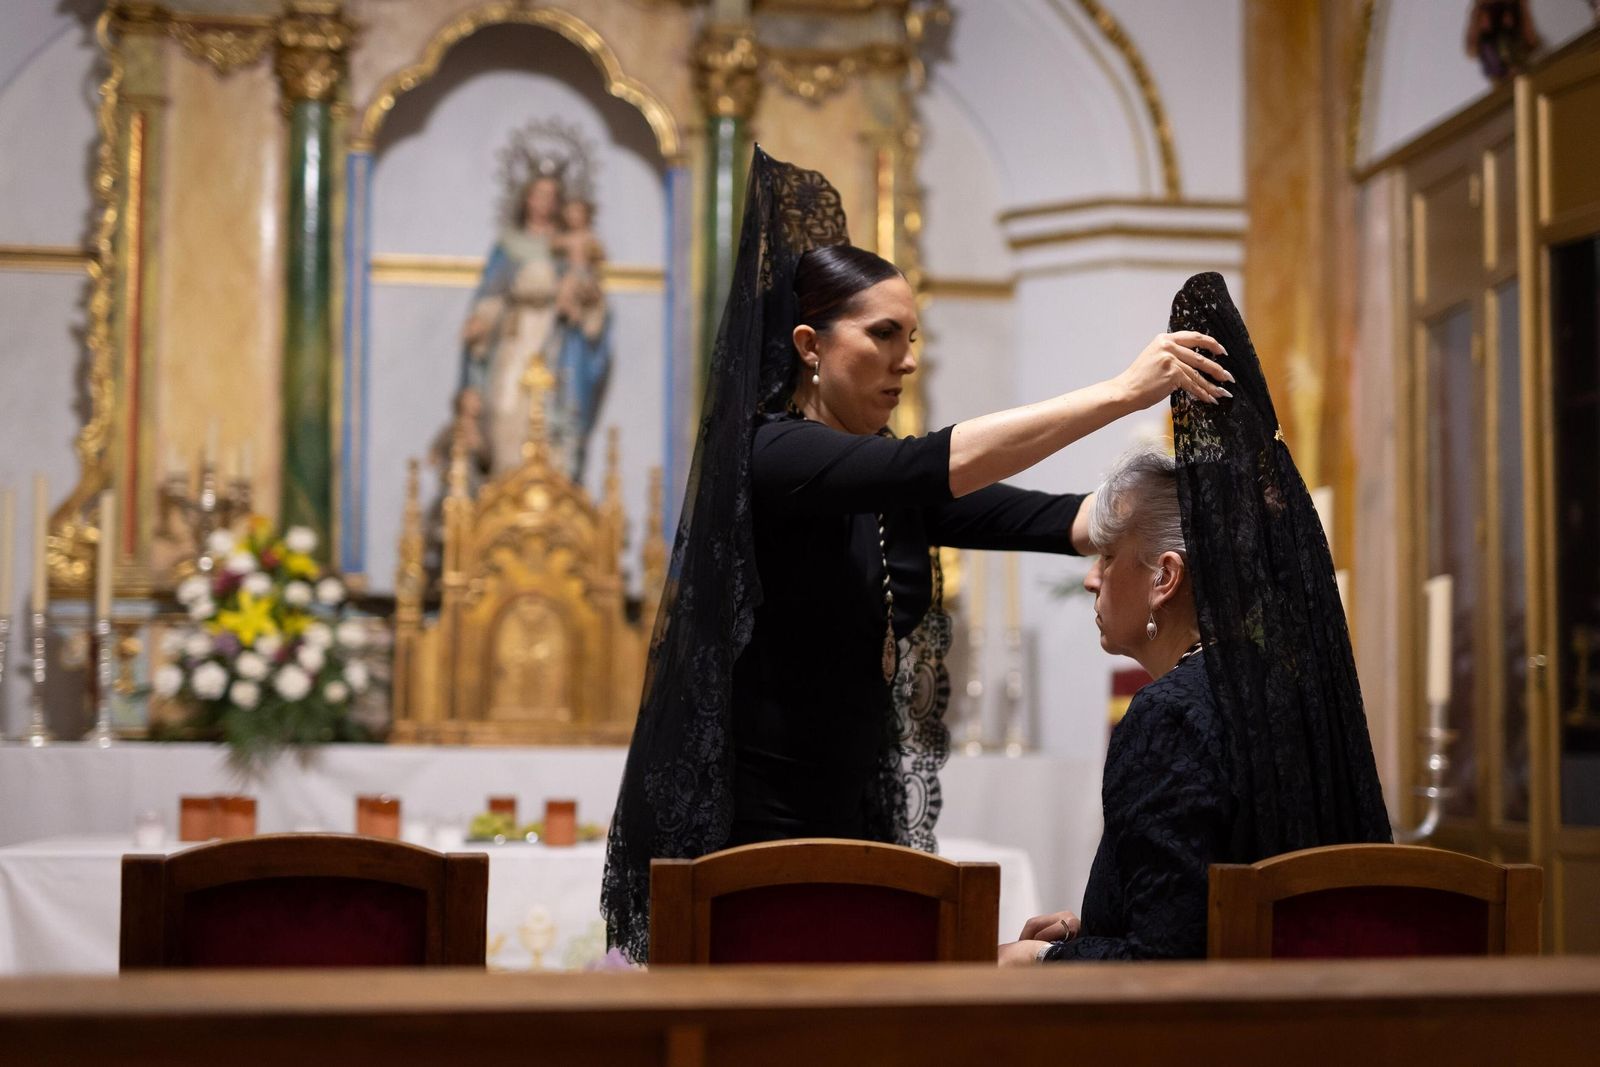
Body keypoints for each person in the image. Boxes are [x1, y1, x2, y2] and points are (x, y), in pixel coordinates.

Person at [600, 149, 1233, 961]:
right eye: (884, 334)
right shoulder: (773, 454)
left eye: (913, 336)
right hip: (757, 836)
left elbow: (1073, 521)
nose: (907, 358)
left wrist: (1222, 502)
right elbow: (931, 463)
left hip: (850, 818)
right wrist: (1119, 392)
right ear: (809, 344)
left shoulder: (882, 478)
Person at [999, 273, 1393, 965]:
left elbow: (1166, 964)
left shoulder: (1171, 717)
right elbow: (1233, 917)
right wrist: (1092, 932)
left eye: (1107, 555)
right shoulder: (1285, 689)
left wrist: (1037, 962)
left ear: (1165, 577)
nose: (1091, 576)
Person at [459, 172, 566, 478]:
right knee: (505, 403)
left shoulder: (564, 246)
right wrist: (481, 320)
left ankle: (548, 484)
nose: (543, 203)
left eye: (551, 196)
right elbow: (491, 293)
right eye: (538, 194)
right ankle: (506, 481)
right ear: (526, 199)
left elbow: (583, 293)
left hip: (551, 337)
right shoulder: (509, 246)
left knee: (550, 408)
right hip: (515, 335)